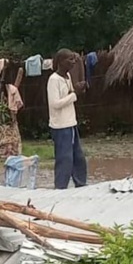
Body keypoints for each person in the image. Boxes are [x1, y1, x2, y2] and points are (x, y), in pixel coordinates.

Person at [47, 49, 88, 189]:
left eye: (73, 59)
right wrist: (74, 95)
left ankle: (80, 184)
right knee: (65, 159)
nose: (73, 62)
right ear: (60, 62)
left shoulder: (68, 76)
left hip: (71, 123)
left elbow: (70, 93)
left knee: (78, 158)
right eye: (69, 59)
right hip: (60, 126)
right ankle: (60, 187)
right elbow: (55, 103)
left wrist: (78, 89)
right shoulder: (54, 80)